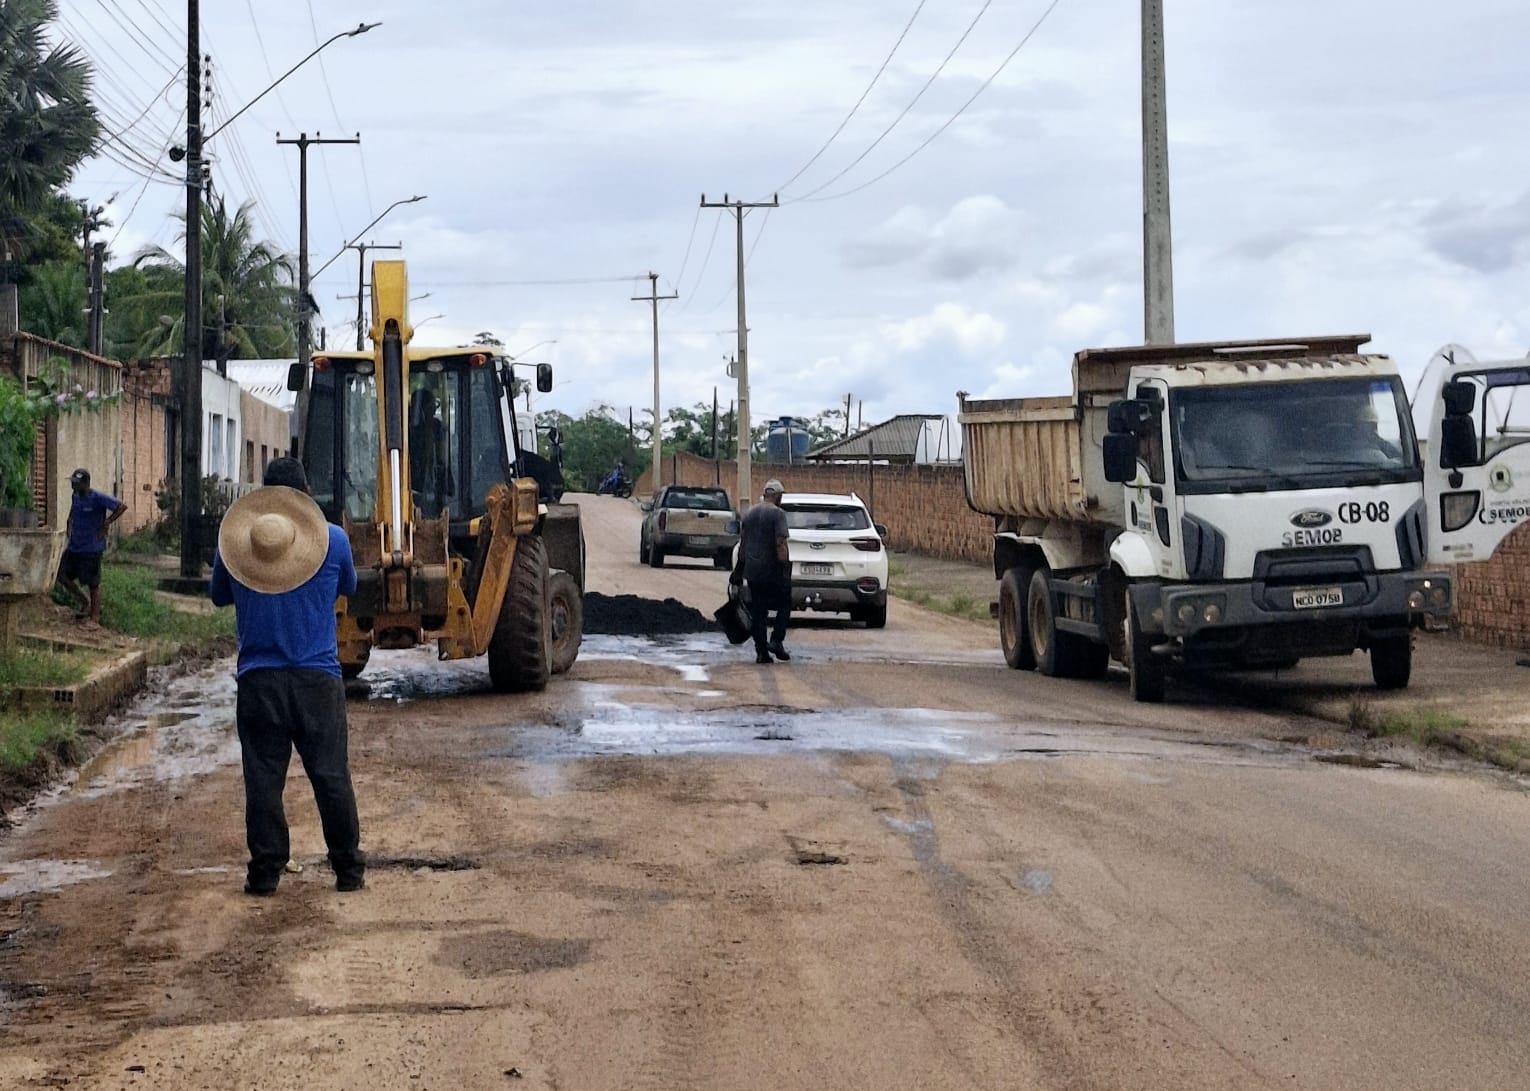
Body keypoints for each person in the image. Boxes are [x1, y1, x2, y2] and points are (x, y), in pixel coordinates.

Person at [209, 457, 365, 897]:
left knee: (262, 781)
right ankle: (349, 871)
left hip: (259, 682)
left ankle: (264, 874)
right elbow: (348, 587)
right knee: (331, 775)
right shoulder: (333, 542)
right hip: (317, 681)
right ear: (306, 497)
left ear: (264, 497)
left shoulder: (238, 546)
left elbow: (219, 595)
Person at [731, 478, 792, 664]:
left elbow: (743, 545)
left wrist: (738, 571)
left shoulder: (749, 513)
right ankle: (776, 640)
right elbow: (780, 544)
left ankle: (761, 653)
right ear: (777, 496)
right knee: (785, 603)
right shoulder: (778, 514)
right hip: (772, 570)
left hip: (753, 571)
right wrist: (784, 568)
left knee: (759, 611)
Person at [56, 468, 125, 625]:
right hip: (75, 546)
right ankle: (84, 601)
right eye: (72, 483)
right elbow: (73, 511)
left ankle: (95, 617)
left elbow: (121, 506)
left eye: (76, 484)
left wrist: (107, 522)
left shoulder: (97, 498)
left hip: (92, 547)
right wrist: (69, 522)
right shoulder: (75, 496)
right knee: (61, 575)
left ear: (85, 484)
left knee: (93, 583)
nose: (73, 487)